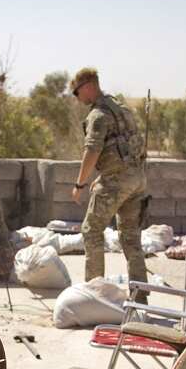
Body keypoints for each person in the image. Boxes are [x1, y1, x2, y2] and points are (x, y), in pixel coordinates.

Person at [69, 67, 149, 287]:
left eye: (76, 92)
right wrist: (103, 176)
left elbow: (92, 151)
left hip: (117, 181)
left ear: (87, 86)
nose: (77, 98)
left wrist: (80, 184)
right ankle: (140, 295)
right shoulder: (121, 108)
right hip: (137, 179)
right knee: (131, 238)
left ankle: (95, 292)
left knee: (91, 230)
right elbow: (128, 146)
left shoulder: (98, 115)